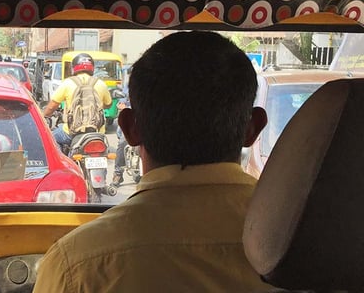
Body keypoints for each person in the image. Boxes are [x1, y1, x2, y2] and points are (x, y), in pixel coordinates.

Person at [33, 31, 271, 292]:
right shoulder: (300, 242)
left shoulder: (76, 264)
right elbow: (108, 103)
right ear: (254, 128)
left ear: (129, 129)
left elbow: (52, 106)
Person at [42, 53, 112, 152]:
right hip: (97, 132)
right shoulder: (101, 84)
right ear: (92, 68)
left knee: (52, 137)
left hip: (71, 132)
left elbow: (51, 107)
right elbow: (108, 104)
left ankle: (62, 163)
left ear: (74, 67)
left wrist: (43, 116)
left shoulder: (67, 83)